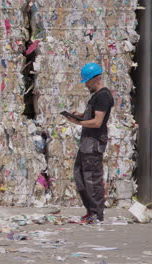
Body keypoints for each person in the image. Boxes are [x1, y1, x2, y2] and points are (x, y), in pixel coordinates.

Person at [65, 63, 114, 224]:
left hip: (94, 143)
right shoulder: (95, 96)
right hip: (86, 143)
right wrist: (78, 115)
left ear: (95, 78)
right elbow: (91, 116)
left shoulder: (103, 96)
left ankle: (97, 214)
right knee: (80, 176)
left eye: (87, 81)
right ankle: (89, 210)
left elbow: (98, 122)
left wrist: (78, 123)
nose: (85, 84)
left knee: (92, 178)